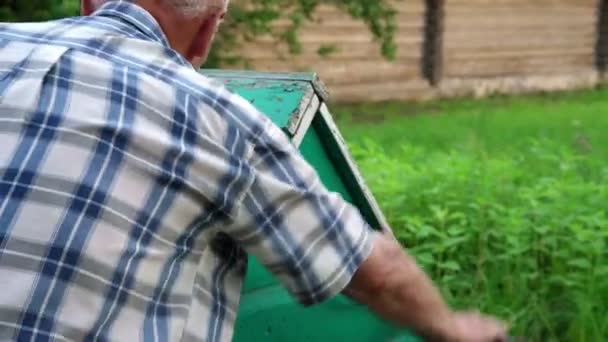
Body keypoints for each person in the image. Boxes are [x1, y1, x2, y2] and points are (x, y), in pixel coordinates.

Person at [0, 0, 507, 341]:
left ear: (90, 2)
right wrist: (455, 328)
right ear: (208, 28)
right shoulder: (220, 120)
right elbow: (377, 273)